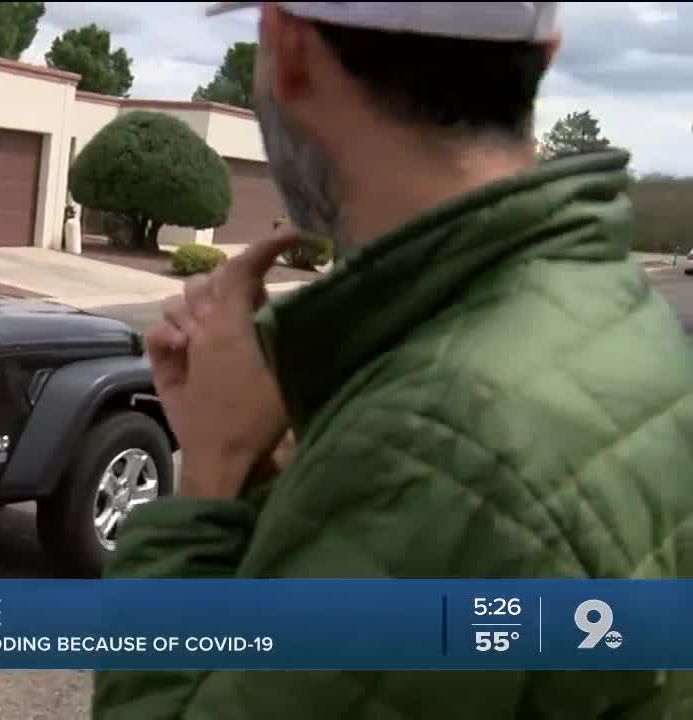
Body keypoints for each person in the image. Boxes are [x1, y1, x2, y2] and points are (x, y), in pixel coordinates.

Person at [95, 2, 693, 718]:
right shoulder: (612, 310)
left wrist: (211, 477)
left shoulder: (433, 441)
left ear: (287, 48)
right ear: (546, 50)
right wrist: (286, 474)